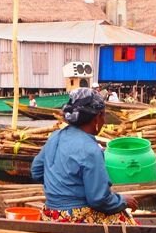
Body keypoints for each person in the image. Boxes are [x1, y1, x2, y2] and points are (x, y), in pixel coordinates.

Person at [31, 88, 139, 224]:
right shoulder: (91, 150)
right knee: (127, 221)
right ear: (97, 118)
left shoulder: (55, 136)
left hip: (50, 213)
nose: (104, 121)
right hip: (74, 217)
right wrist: (123, 201)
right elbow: (98, 199)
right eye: (103, 116)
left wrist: (60, 188)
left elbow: (36, 172)